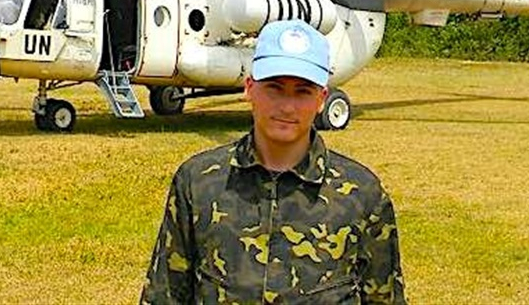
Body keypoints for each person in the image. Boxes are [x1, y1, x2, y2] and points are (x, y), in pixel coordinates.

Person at [140, 20, 405, 304]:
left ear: (321, 99)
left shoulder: (361, 194)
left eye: (303, 91)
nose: (287, 106)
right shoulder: (199, 181)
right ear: (249, 88)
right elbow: (164, 295)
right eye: (274, 88)